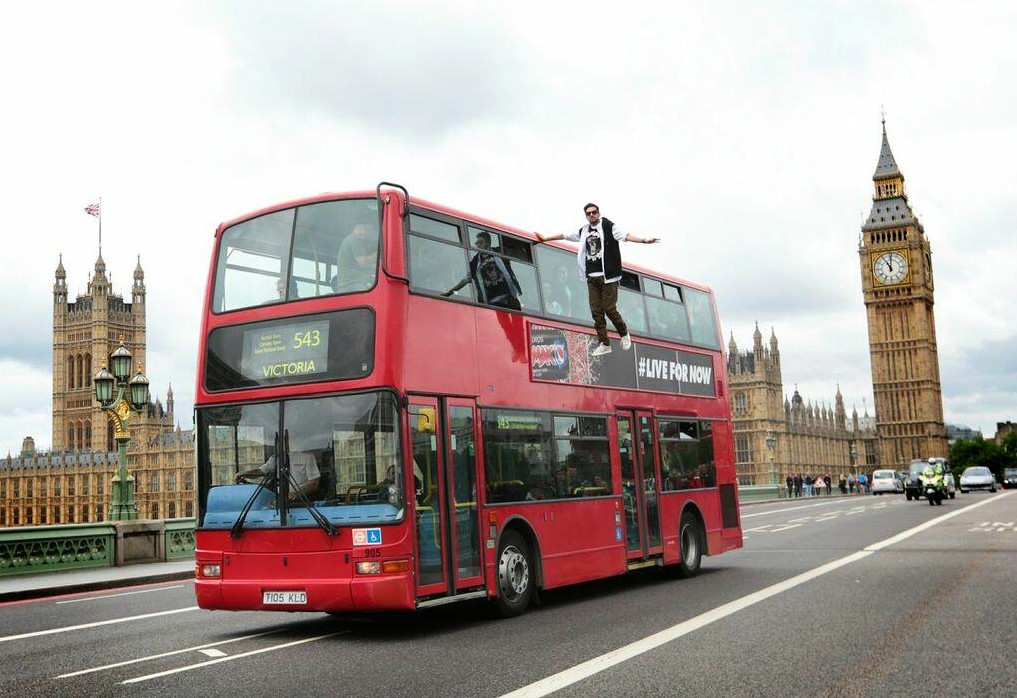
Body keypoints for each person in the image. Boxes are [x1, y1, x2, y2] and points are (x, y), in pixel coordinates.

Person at [536, 203, 659, 356]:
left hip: (608, 277)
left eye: (594, 212)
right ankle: (604, 343)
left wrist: (644, 240)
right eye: (588, 214)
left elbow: (626, 236)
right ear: (586, 216)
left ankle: (624, 333)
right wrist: (546, 238)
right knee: (596, 311)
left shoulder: (609, 226)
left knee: (609, 308)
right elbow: (566, 235)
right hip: (592, 278)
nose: (592, 215)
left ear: (599, 213)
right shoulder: (584, 231)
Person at [442, 231, 522, 310]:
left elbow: (518, 252)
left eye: (481, 242)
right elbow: (466, 279)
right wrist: (450, 292)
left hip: (509, 296)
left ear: (488, 243)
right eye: (477, 243)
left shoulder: (499, 252)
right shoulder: (475, 261)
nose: (478, 245)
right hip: (493, 301)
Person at [236, 451, 320, 501]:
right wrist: (244, 474)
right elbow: (260, 471)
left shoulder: (307, 456)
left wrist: (297, 493)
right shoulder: (276, 458)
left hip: (303, 502)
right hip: (279, 502)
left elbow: (314, 483)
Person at [334, 219, 378, 292]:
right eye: (370, 230)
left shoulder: (352, 240)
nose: (370, 233)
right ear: (362, 227)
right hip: (353, 286)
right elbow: (364, 263)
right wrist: (379, 253)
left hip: (349, 286)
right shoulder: (354, 239)